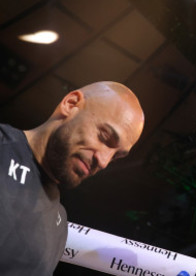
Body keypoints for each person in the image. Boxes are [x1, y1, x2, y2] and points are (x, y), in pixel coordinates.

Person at [0, 81, 145, 275]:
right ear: (70, 104)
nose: (103, 161)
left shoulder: (58, 227)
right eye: (105, 136)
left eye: (116, 157)